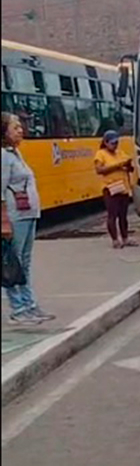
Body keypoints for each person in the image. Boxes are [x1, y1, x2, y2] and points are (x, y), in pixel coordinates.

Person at [1, 112, 54, 325]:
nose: (21, 130)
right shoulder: (3, 157)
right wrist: (4, 221)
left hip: (28, 214)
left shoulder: (15, 154)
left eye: (21, 127)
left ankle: (30, 305)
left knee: (25, 262)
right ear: (4, 132)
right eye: (15, 128)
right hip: (15, 216)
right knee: (13, 263)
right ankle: (18, 309)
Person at [94, 130, 136, 249]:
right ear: (106, 143)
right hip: (110, 188)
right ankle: (115, 240)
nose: (115, 145)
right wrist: (117, 165)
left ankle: (125, 238)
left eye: (116, 143)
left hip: (123, 187)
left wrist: (128, 165)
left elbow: (130, 169)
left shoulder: (120, 153)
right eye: (112, 143)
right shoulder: (101, 154)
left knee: (123, 215)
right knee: (112, 214)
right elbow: (99, 170)